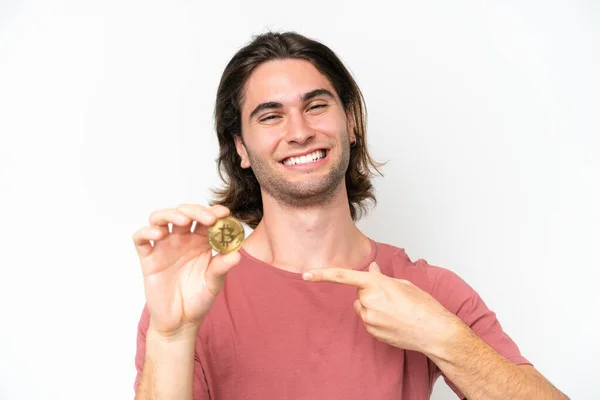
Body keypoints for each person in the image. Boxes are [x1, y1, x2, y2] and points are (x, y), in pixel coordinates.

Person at [131, 31, 568, 400]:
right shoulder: (192, 296)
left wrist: (441, 335)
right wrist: (171, 337)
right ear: (241, 148)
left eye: (316, 106)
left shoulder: (426, 291)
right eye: (270, 116)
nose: (300, 132)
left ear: (352, 121)